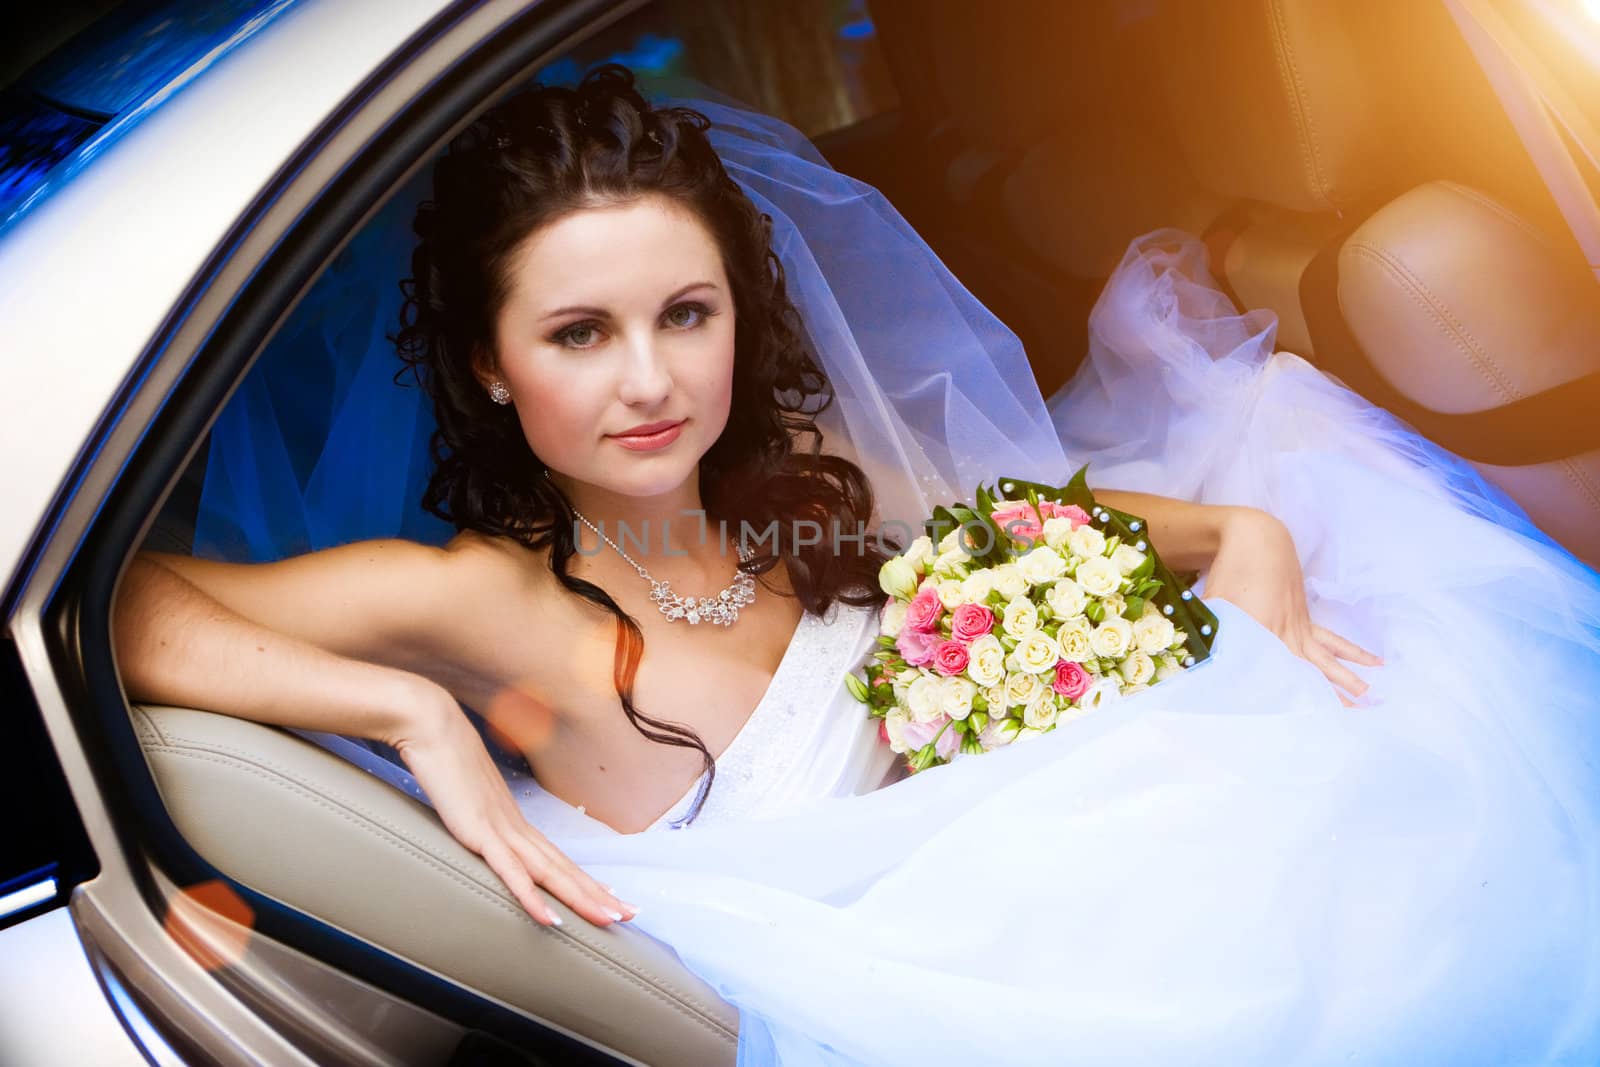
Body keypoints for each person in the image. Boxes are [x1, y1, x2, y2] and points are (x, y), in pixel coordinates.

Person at [113, 65, 1600, 1065]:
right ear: (490, 368)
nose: (649, 382)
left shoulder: (792, 495)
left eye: (684, 314)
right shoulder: (483, 598)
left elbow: (1042, 520)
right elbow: (112, 602)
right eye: (579, 334)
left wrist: (1243, 540)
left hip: (1064, 880)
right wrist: (409, 713)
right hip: (955, 990)